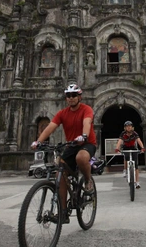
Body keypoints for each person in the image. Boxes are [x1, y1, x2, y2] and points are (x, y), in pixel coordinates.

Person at [31, 83, 97, 223]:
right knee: (59, 173)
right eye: (68, 96)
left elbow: (87, 122)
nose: (71, 98)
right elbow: (50, 128)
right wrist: (38, 141)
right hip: (71, 145)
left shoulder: (86, 109)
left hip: (87, 143)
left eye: (74, 95)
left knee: (81, 157)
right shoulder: (62, 113)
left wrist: (84, 135)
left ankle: (87, 180)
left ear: (79, 97)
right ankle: (63, 213)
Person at [115, 121, 145, 189]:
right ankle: (125, 170)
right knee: (126, 157)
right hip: (125, 147)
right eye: (127, 126)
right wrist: (117, 148)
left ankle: (137, 182)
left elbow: (138, 140)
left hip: (133, 148)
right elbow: (120, 141)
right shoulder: (123, 133)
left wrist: (142, 148)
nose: (128, 128)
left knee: (136, 166)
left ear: (132, 127)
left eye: (130, 126)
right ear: (125, 128)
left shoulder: (134, 133)